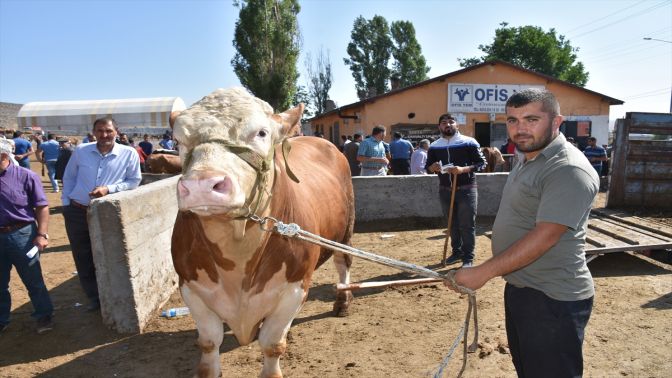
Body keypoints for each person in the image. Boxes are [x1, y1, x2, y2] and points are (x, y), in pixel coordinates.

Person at [447, 89, 599, 377]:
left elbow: (545, 236)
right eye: (513, 120)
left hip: (553, 298)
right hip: (523, 289)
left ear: (557, 122)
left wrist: (483, 272)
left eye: (531, 119)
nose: (521, 129)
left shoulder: (567, 169)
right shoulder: (527, 157)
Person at [61, 117, 142, 311]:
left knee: (111, 253)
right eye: (100, 131)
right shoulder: (81, 150)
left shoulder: (128, 153)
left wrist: (109, 189)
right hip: (77, 210)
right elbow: (69, 177)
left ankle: (115, 295)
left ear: (116, 131)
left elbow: (134, 181)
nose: (104, 135)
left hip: (106, 213)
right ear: (93, 132)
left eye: (108, 131)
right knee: (82, 254)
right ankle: (94, 298)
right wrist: (66, 203)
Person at [0, 139, 54, 334]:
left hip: (22, 235)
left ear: (4, 156)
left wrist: (41, 234)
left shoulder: (26, 176)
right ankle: (2, 319)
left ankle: (44, 315)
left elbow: (42, 206)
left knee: (33, 280)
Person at [425, 113, 486, 268]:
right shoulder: (434, 146)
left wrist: (463, 169)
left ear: (457, 125)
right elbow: (428, 168)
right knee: (452, 224)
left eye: (451, 122)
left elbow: (481, 164)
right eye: (444, 122)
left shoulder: (469, 142)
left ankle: (468, 257)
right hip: (445, 190)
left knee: (467, 224)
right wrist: (432, 168)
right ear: (439, 126)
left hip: (466, 189)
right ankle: (456, 252)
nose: (448, 125)